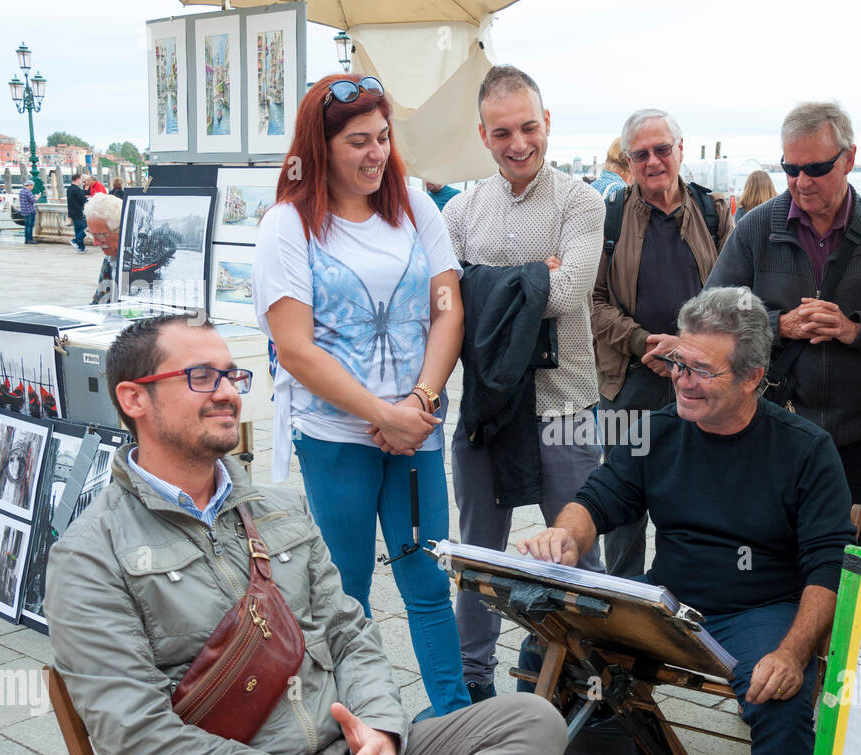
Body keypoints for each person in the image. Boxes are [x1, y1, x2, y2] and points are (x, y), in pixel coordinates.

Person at [44, 313, 567, 755]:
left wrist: (380, 734)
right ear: (134, 399)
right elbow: (140, 746)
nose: (228, 393)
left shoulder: (279, 509)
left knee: (529, 721)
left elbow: (350, 636)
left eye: (232, 376)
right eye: (202, 376)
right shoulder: (90, 555)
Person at [517, 286, 856, 755]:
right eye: (678, 363)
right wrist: (565, 535)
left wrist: (795, 652)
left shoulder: (804, 448)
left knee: (781, 698)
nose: (682, 380)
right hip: (668, 606)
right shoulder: (659, 429)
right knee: (544, 646)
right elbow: (598, 498)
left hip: (760, 611)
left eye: (702, 370)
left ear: (752, 377)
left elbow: (829, 566)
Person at [253, 73, 472, 717]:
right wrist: (383, 415)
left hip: (415, 433)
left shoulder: (415, 207)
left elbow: (448, 310)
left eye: (382, 137)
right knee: (346, 593)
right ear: (320, 149)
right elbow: (293, 346)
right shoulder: (288, 226)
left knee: (427, 580)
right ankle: (367, 727)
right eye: (357, 142)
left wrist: (420, 403)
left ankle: (456, 721)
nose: (376, 153)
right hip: (337, 442)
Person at [443, 65, 606, 703]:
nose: (519, 143)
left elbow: (568, 293)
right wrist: (532, 275)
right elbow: (446, 306)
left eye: (529, 127)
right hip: (487, 407)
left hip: (563, 403)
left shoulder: (581, 200)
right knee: (479, 556)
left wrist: (482, 283)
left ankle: (586, 674)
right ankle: (473, 683)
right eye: (503, 131)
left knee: (575, 546)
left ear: (548, 123)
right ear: (483, 135)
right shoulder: (460, 209)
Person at [706, 101, 861, 549]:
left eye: (816, 168)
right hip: (773, 430)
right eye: (791, 168)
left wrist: (853, 330)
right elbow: (710, 314)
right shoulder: (755, 229)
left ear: (849, 158)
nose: (801, 182)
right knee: (772, 557)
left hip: (860, 436)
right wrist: (778, 325)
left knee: (853, 559)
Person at [591, 107, 733, 578]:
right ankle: (625, 613)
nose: (653, 161)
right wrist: (641, 342)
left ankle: (693, 605)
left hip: (700, 383)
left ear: (680, 150)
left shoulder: (714, 211)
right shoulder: (607, 217)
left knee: (700, 502)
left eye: (662, 149)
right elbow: (591, 302)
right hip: (631, 383)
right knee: (624, 509)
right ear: (628, 162)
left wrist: (686, 348)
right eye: (641, 154)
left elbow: (734, 298)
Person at [84, 192, 122, 304]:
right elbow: (99, 302)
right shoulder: (109, 260)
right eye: (91, 234)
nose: (95, 243)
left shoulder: (145, 264)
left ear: (120, 229)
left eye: (101, 235)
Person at [67, 173, 89, 252]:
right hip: (79, 212)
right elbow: (83, 200)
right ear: (77, 179)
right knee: (86, 228)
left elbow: (69, 202)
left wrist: (69, 214)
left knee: (78, 230)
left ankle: (81, 247)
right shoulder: (77, 189)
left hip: (72, 212)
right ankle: (75, 240)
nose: (81, 182)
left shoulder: (69, 189)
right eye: (80, 180)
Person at [18, 179, 37, 245]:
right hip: (30, 211)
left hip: (24, 211)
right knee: (30, 226)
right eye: (32, 185)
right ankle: (30, 239)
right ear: (29, 185)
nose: (33, 187)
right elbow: (33, 201)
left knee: (26, 226)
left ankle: (26, 239)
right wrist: (37, 197)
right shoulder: (28, 192)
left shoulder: (21, 192)